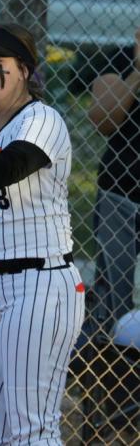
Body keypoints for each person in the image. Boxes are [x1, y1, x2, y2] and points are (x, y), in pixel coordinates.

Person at [0, 23, 85, 444]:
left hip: (39, 283)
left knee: (30, 427)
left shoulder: (43, 119)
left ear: (26, 70)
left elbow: (6, 169)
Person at [86, 27, 140, 338]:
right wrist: (137, 74)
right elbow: (102, 119)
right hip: (121, 191)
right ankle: (107, 362)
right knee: (112, 286)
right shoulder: (118, 60)